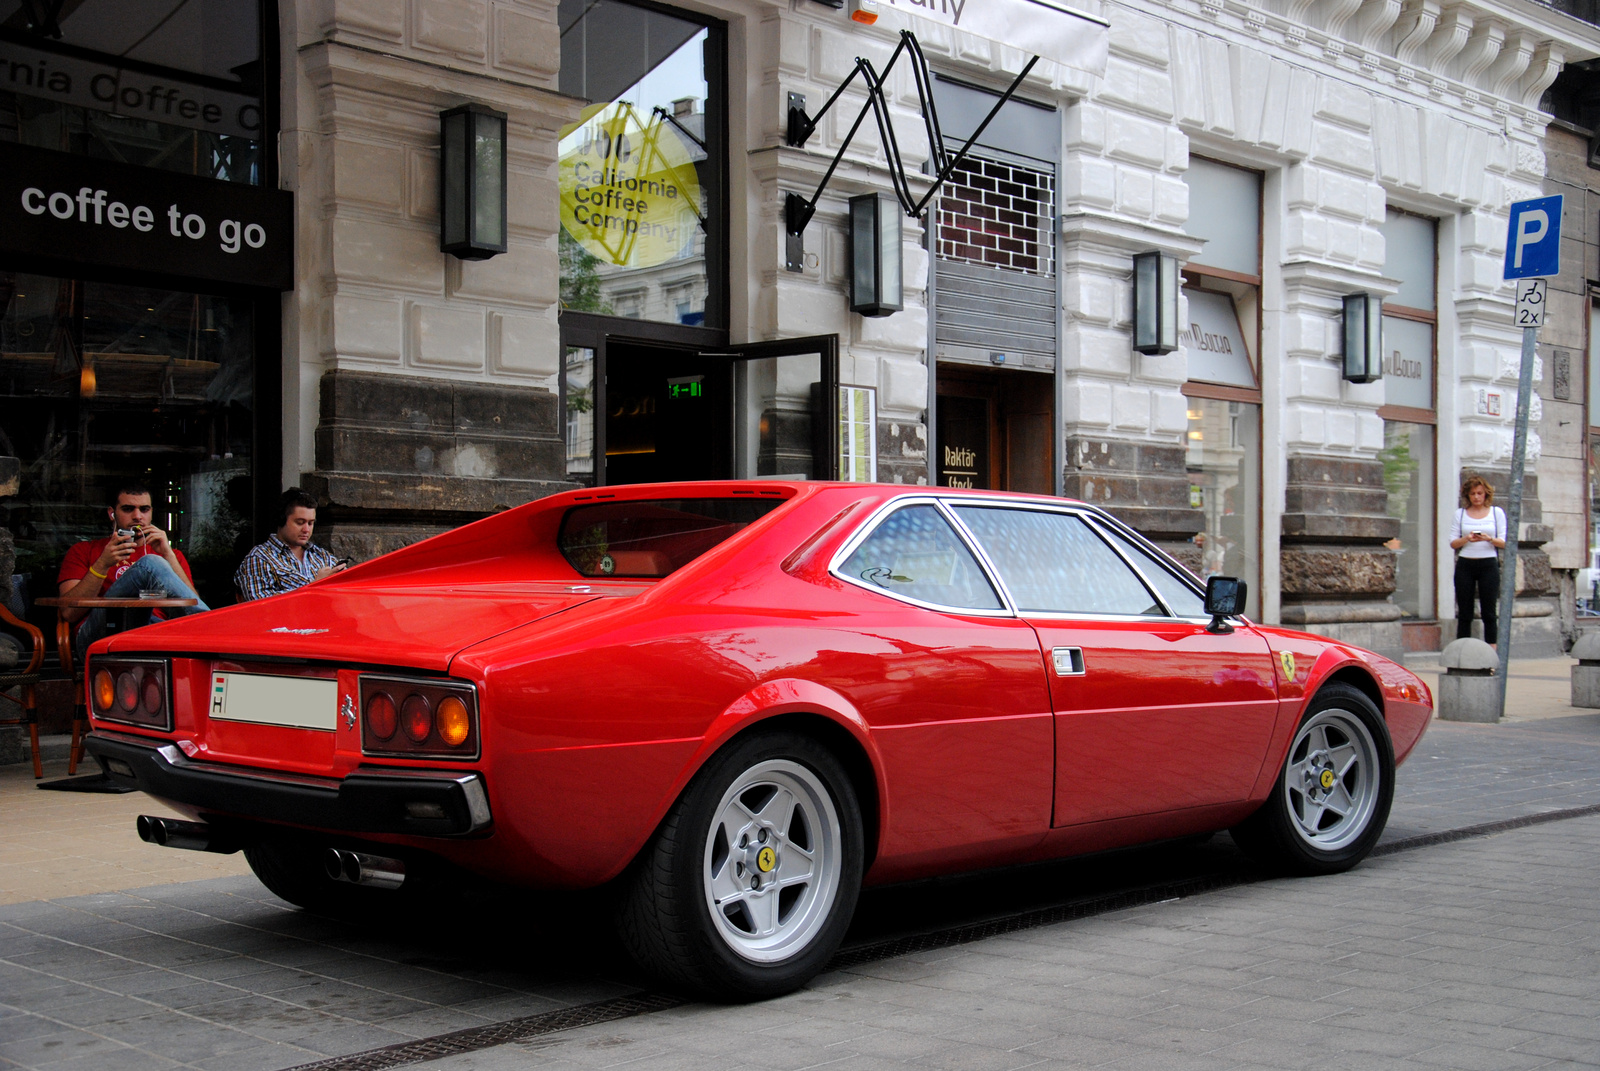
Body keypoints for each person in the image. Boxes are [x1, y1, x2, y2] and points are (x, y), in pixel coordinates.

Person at [57, 483, 210, 653]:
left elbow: (192, 602)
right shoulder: (84, 550)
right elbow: (69, 613)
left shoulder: (171, 555)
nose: (137, 516)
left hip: (155, 634)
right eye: (128, 509)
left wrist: (168, 555)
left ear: (151, 513)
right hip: (100, 636)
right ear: (112, 514)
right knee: (150, 563)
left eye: (144, 509)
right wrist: (102, 564)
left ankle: (206, 629)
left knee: (158, 624)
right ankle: (211, 629)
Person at [235, 488, 346, 601]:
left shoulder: (322, 556)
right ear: (281, 519)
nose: (306, 529)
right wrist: (313, 586)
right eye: (300, 522)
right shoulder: (259, 558)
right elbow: (258, 605)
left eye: (310, 523)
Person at [1449, 474, 1507, 646]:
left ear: (1486, 494)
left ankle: (1492, 650)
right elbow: (1453, 542)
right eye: (1473, 493)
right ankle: (1462, 649)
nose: (1476, 497)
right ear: (1467, 496)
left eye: (1479, 493)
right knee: (1464, 612)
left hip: (1488, 563)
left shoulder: (1496, 513)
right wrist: (1467, 538)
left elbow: (1504, 542)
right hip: (1466, 563)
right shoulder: (1460, 514)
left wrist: (1488, 539)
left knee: (1489, 611)